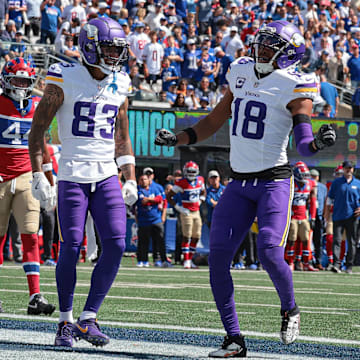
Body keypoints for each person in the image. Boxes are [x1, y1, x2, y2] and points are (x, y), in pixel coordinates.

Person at [155, 20, 336, 357]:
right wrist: (180, 138)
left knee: (269, 250)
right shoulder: (239, 71)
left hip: (274, 182)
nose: (262, 49)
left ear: (288, 54)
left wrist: (319, 145)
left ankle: (290, 308)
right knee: (218, 258)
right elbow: (214, 119)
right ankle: (234, 338)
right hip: (238, 182)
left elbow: (304, 142)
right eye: (262, 42)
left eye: (272, 45)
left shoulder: (296, 85)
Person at [28, 17, 138, 348]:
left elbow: (122, 137)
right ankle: (65, 321)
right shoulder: (65, 77)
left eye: (118, 50)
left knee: (117, 244)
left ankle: (89, 318)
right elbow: (38, 130)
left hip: (106, 173)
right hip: (73, 172)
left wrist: (130, 177)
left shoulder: (121, 82)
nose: (113, 56)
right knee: (71, 246)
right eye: (107, 48)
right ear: (89, 46)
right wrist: (39, 171)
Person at [0, 58, 56, 316]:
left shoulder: (36, 105)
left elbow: (42, 146)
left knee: (31, 233)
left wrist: (49, 178)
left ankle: (35, 296)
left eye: (26, 81)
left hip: (25, 176)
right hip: (0, 176)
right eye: (17, 80)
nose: (22, 86)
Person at [166, 161, 206, 269]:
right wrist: (178, 207)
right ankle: (187, 260)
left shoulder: (200, 180)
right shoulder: (181, 183)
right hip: (186, 212)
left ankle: (190, 259)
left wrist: (201, 200)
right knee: (186, 236)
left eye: (193, 171)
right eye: (189, 171)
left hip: (196, 211)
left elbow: (203, 192)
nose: (191, 173)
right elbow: (169, 196)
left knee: (196, 236)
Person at [325, 160, 360, 274]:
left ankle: (349, 266)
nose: (348, 170)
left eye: (350, 168)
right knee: (337, 241)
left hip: (353, 217)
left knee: (352, 242)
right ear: (343, 169)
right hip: (338, 216)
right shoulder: (336, 183)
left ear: (353, 169)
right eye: (346, 168)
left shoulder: (358, 183)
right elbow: (330, 199)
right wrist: (326, 213)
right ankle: (336, 264)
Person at [286, 161, 318, 271]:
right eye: (302, 175)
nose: (304, 178)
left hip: (303, 216)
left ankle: (305, 262)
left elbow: (313, 202)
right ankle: (290, 262)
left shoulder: (310, 184)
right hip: (293, 216)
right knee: (292, 238)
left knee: (306, 239)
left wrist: (313, 217)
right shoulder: (290, 184)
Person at [310, 168, 328, 270]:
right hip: (308, 216)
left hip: (319, 216)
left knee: (319, 241)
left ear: (318, 177)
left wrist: (325, 216)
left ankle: (318, 262)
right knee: (306, 239)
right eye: (311, 176)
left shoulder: (323, 187)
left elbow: (325, 202)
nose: (313, 178)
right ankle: (306, 260)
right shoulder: (306, 185)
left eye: (314, 176)